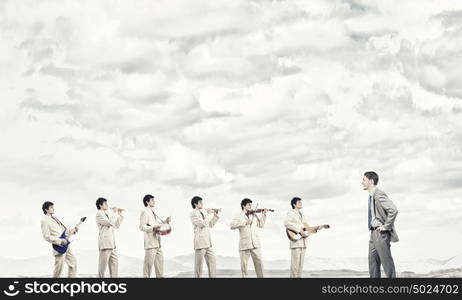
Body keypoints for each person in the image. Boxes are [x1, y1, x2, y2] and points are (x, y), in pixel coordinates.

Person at [362, 171, 398, 278]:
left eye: (364, 180)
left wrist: (386, 226)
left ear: (371, 181)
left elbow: (393, 210)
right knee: (372, 264)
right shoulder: (371, 196)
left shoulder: (379, 194)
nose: (362, 182)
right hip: (373, 233)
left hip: (381, 233)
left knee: (387, 264)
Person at [230, 198, 267, 278]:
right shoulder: (238, 215)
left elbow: (261, 225)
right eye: (249, 205)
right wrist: (245, 222)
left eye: (251, 204)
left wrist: (264, 215)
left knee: (260, 264)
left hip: (255, 243)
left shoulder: (254, 214)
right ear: (243, 206)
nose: (251, 206)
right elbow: (232, 225)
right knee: (244, 267)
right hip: (244, 244)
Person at [40, 201, 78, 277]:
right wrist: (60, 241)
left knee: (73, 263)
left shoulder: (56, 218)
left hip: (66, 245)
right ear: (46, 209)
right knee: (58, 269)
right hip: (58, 247)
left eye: (53, 207)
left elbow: (62, 231)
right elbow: (46, 237)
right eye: (51, 207)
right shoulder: (44, 220)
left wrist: (71, 231)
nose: (53, 209)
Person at [139, 194, 170, 278]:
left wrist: (165, 222)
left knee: (160, 266)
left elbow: (157, 225)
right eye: (152, 200)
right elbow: (142, 226)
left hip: (158, 243)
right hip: (150, 243)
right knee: (148, 267)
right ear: (147, 202)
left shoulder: (152, 212)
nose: (154, 201)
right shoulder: (144, 211)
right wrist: (153, 228)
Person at [283, 197, 314, 278]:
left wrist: (314, 230)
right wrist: (299, 230)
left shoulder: (303, 215)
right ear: (294, 204)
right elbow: (286, 223)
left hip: (303, 243)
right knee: (295, 266)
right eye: (299, 202)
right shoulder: (291, 213)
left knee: (300, 266)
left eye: (301, 202)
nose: (301, 203)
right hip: (296, 242)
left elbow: (306, 227)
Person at [190, 196, 219, 278]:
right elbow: (202, 224)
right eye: (200, 202)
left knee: (212, 263)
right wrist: (210, 214)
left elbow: (210, 225)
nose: (202, 204)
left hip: (208, 243)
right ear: (195, 204)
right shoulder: (193, 213)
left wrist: (215, 216)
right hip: (200, 242)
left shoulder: (203, 213)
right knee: (199, 267)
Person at [96, 197, 124, 277]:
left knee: (114, 266)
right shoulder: (99, 214)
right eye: (105, 203)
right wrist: (114, 212)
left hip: (112, 244)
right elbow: (110, 223)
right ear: (100, 205)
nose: (107, 205)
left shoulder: (106, 215)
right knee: (102, 267)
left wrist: (119, 214)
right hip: (105, 244)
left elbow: (116, 225)